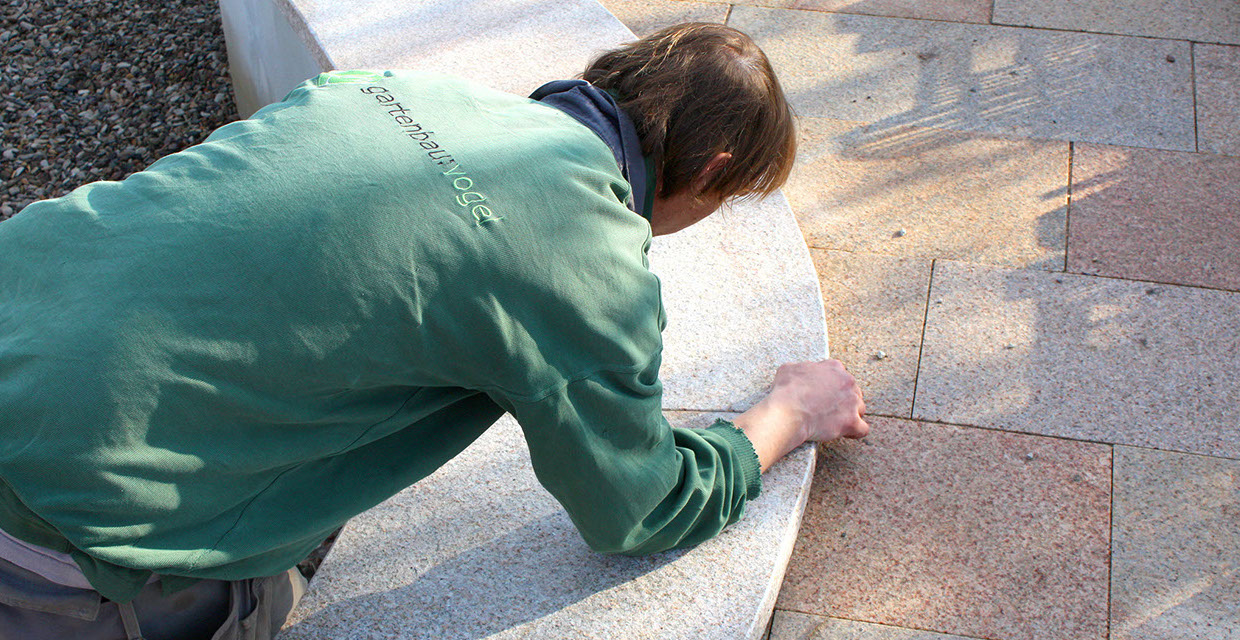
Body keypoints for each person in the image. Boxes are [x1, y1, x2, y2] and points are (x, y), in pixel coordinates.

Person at [0, 23, 867, 640]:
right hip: (62, 508)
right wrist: (786, 416)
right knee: (266, 596)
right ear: (713, 172)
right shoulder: (584, 255)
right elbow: (637, 507)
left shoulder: (393, 89)